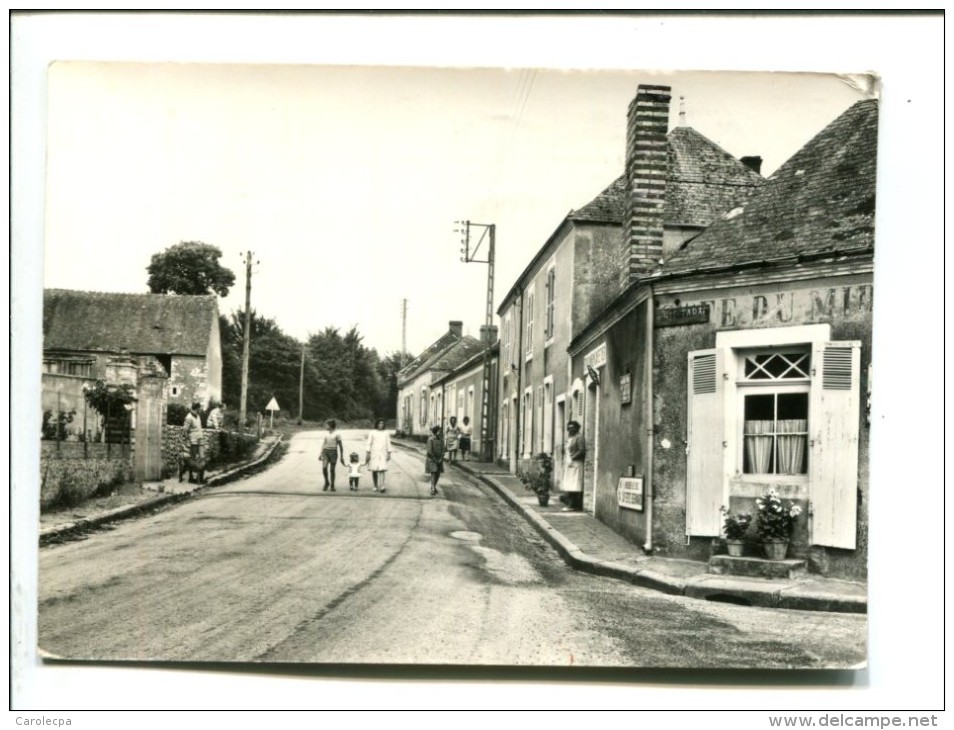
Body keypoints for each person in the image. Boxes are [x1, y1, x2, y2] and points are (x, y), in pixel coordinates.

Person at [179, 401, 206, 484]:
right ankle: (191, 478)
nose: (200, 409)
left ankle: (200, 478)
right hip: (193, 441)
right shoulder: (189, 417)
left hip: (200, 439)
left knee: (202, 458)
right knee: (192, 460)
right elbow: (185, 430)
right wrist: (188, 440)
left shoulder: (198, 416)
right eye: (199, 408)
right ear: (196, 408)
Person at [561, 420, 585, 512]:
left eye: (573, 428)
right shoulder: (570, 438)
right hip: (568, 464)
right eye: (569, 428)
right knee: (568, 484)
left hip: (575, 464)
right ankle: (571, 504)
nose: (571, 430)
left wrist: (572, 457)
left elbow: (581, 450)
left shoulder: (579, 437)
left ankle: (572, 505)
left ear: (577, 428)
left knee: (574, 485)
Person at [365, 418, 392, 493]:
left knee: (382, 469)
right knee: (374, 470)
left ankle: (382, 486)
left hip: (383, 453)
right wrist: (367, 453)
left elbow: (388, 443)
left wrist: (389, 453)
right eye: (379, 423)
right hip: (374, 453)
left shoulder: (386, 433)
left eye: (382, 424)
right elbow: (369, 443)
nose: (381, 425)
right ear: (377, 424)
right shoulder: (372, 432)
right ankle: (375, 485)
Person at [319, 419, 345, 491]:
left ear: (330, 426)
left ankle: (332, 485)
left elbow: (340, 446)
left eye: (327, 425)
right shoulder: (326, 434)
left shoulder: (337, 434)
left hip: (333, 452)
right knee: (324, 467)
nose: (325, 426)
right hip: (326, 452)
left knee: (332, 469)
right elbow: (324, 444)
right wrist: (320, 453)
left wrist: (342, 456)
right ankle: (327, 482)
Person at [425, 425, 445, 496]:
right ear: (435, 432)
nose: (440, 433)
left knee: (438, 474)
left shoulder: (441, 440)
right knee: (433, 472)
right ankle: (433, 488)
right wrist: (435, 459)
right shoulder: (431, 439)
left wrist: (441, 458)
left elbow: (443, 450)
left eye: (441, 431)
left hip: (439, 459)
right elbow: (430, 451)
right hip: (432, 459)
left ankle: (433, 485)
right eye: (439, 431)